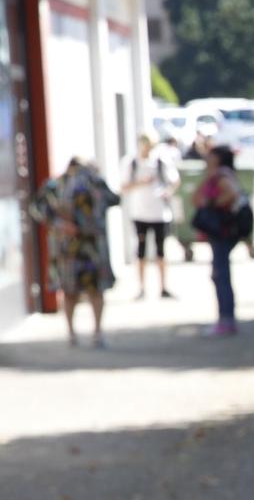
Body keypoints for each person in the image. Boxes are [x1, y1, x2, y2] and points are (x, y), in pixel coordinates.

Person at [29, 159, 116, 347]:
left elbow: (36, 209)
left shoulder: (55, 184)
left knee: (70, 292)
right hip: (88, 247)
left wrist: (61, 225)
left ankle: (72, 333)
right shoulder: (93, 182)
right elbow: (114, 199)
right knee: (93, 292)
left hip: (68, 248)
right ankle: (97, 332)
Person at [192, 144, 254, 337]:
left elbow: (231, 194)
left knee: (221, 274)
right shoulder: (219, 174)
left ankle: (226, 319)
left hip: (222, 231)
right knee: (220, 273)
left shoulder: (221, 175)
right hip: (222, 232)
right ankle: (225, 318)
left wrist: (211, 205)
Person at [122, 133, 176, 299]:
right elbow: (124, 186)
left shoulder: (161, 161)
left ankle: (163, 287)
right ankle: (142, 288)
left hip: (159, 213)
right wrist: (142, 182)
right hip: (139, 213)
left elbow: (174, 181)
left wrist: (167, 192)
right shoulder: (131, 162)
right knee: (141, 251)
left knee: (161, 251)